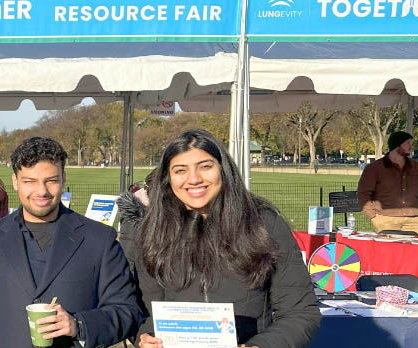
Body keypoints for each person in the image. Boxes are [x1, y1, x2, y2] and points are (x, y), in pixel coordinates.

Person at [134, 129, 321, 348]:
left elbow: (300, 312)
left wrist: (261, 345)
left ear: (223, 170)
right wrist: (144, 338)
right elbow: (144, 313)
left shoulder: (264, 224)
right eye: (180, 170)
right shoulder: (154, 230)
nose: (193, 179)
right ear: (168, 177)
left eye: (205, 167)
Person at [0, 137, 142, 348]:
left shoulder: (99, 239)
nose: (41, 191)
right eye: (30, 181)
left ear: (63, 178)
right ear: (15, 181)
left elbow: (128, 310)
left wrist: (79, 325)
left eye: (51, 180)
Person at [358, 131, 418, 234]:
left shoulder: (416, 166)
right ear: (397, 145)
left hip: (415, 221)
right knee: (388, 250)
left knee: (413, 250)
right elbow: (363, 193)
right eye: (408, 143)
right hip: (385, 220)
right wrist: (373, 216)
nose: (411, 146)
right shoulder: (375, 168)